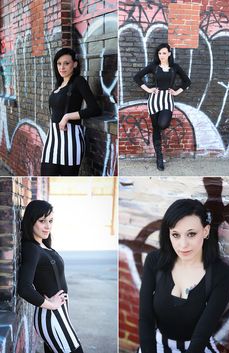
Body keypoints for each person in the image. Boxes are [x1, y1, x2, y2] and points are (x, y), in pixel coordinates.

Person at [139, 199, 229, 353]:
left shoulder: (222, 276)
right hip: (156, 344)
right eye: (176, 235)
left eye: (191, 234)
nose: (183, 245)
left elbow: (202, 335)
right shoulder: (154, 261)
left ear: (205, 231)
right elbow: (145, 318)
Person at [18, 200, 83, 353]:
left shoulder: (43, 246)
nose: (48, 226)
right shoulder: (32, 249)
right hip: (51, 316)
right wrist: (52, 305)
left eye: (50, 221)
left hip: (60, 315)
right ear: (31, 222)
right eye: (42, 221)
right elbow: (24, 288)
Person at [41, 47, 101, 176]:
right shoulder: (59, 84)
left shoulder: (79, 82)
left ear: (74, 64)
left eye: (66, 63)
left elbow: (95, 109)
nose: (62, 67)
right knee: (46, 175)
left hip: (70, 139)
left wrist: (67, 116)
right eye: (59, 63)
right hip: (52, 139)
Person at [134, 43, 191, 171]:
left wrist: (177, 91)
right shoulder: (154, 66)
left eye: (164, 53)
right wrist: (148, 90)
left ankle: (159, 153)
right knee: (155, 128)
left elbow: (187, 81)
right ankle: (159, 157)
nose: (161, 56)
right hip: (154, 100)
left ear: (169, 54)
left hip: (167, 100)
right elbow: (137, 77)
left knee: (163, 124)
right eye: (160, 53)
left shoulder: (175, 67)